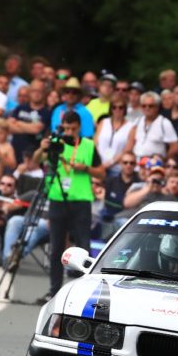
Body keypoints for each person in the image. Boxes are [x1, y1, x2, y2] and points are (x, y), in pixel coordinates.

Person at [34, 111, 104, 304]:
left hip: (81, 201)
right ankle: (54, 291)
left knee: (83, 246)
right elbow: (36, 161)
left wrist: (86, 169)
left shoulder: (88, 145)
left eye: (73, 129)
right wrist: (42, 148)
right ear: (62, 126)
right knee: (57, 247)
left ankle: (83, 294)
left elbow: (102, 172)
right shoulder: (56, 143)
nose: (70, 132)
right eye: (67, 128)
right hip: (57, 199)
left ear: (79, 128)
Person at [123, 91, 178, 160]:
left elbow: (175, 147)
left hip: (154, 165)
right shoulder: (137, 121)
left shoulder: (164, 123)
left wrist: (164, 159)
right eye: (144, 106)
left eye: (150, 106)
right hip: (137, 164)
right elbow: (130, 143)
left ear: (157, 107)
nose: (147, 108)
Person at [8, 81, 50, 166]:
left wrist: (18, 123)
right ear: (30, 92)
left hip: (33, 157)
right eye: (34, 91)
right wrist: (29, 128)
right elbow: (9, 126)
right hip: (15, 153)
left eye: (39, 91)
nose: (36, 94)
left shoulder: (47, 112)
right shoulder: (20, 108)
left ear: (44, 93)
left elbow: (37, 129)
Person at [94, 94, 134, 172]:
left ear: (125, 109)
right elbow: (95, 143)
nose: (117, 110)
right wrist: (99, 162)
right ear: (110, 109)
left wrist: (111, 163)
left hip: (118, 168)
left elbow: (127, 150)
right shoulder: (103, 122)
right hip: (99, 165)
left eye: (121, 107)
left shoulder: (131, 127)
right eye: (114, 107)